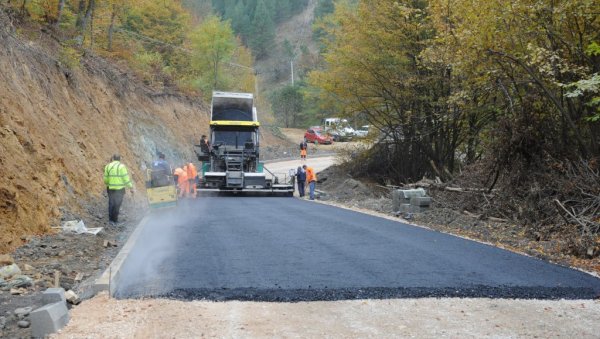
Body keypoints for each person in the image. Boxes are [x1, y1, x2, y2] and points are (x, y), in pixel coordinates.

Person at [103, 154, 133, 225]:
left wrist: (109, 183)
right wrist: (130, 187)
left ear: (113, 158)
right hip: (119, 189)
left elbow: (105, 180)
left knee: (111, 203)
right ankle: (115, 220)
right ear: (120, 159)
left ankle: (110, 220)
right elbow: (125, 178)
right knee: (117, 204)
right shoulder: (122, 167)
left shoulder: (108, 166)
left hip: (110, 188)